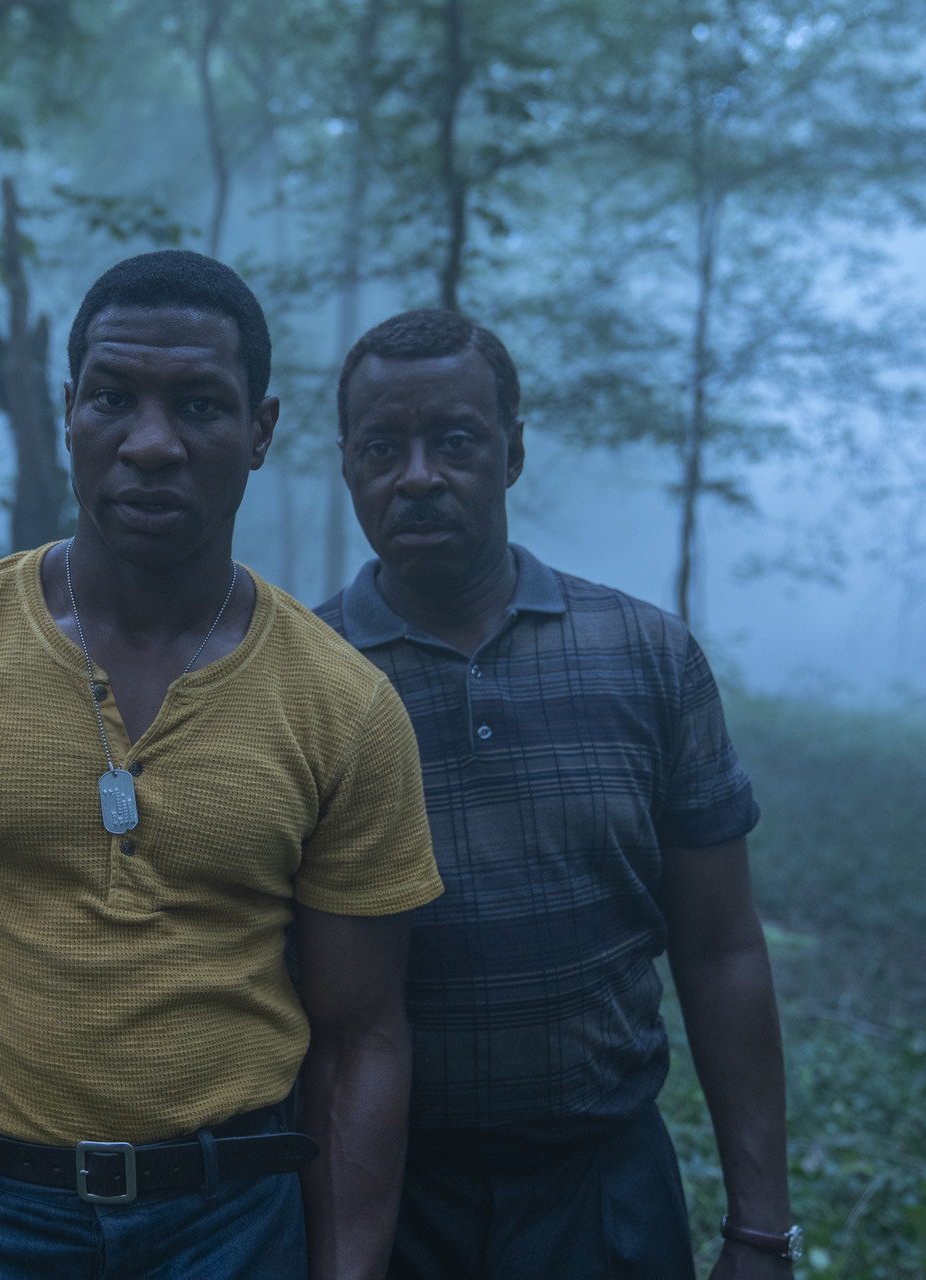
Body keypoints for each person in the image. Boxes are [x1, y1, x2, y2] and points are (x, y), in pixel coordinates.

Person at [0, 250, 444, 1280]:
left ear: (260, 432)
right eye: (113, 399)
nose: (150, 443)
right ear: (67, 411)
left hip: (226, 1222)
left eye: (198, 405)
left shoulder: (342, 703)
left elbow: (362, 1034)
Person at [315, 310, 798, 1280]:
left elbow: (722, 946)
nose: (417, 474)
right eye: (383, 446)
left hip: (604, 1185)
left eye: (454, 440)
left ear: (513, 451)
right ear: (348, 466)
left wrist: (760, 1226)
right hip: (378, 1190)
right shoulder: (299, 675)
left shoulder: (646, 655)